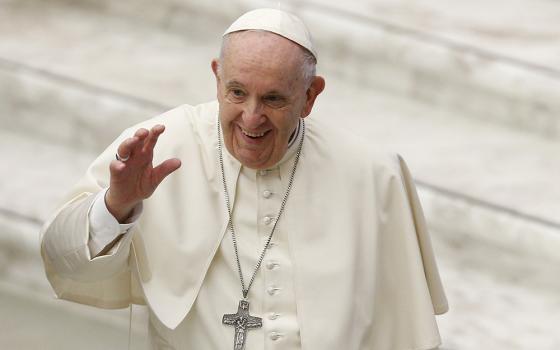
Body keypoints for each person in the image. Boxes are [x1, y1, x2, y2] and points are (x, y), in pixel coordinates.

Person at [40, 8, 448, 350]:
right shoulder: (160, 147)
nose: (251, 119)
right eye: (237, 93)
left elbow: (407, 331)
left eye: (273, 99)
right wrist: (116, 206)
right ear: (217, 77)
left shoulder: (372, 173)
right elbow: (64, 263)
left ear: (310, 96)